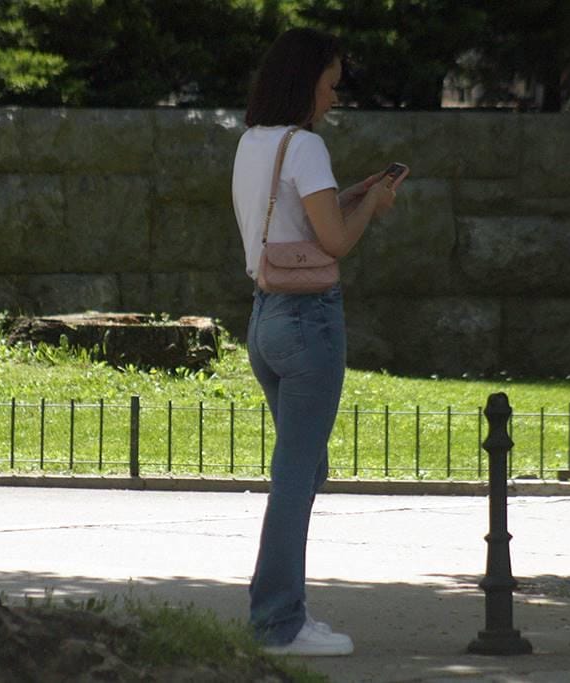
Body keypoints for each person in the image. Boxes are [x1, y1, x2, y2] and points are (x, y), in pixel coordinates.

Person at [231, 28, 401, 657]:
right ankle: (277, 623)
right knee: (297, 473)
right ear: (306, 82)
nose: (333, 97)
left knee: (303, 468)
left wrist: (348, 196)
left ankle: (286, 612)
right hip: (308, 322)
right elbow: (335, 243)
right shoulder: (306, 147)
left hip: (264, 319)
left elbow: (294, 220)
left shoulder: (253, 142)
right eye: (330, 85)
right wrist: (372, 206)